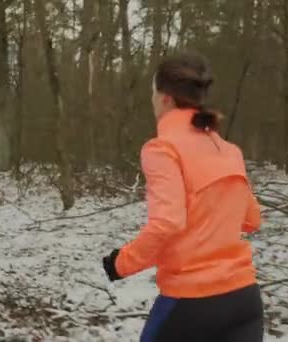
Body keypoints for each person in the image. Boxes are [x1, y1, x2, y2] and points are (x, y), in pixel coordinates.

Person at [102, 53, 264, 342]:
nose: (151, 101)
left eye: (152, 93)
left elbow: (167, 223)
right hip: (244, 300)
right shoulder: (228, 150)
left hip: (191, 302)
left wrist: (120, 263)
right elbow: (252, 220)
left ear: (165, 98)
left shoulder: (162, 149)